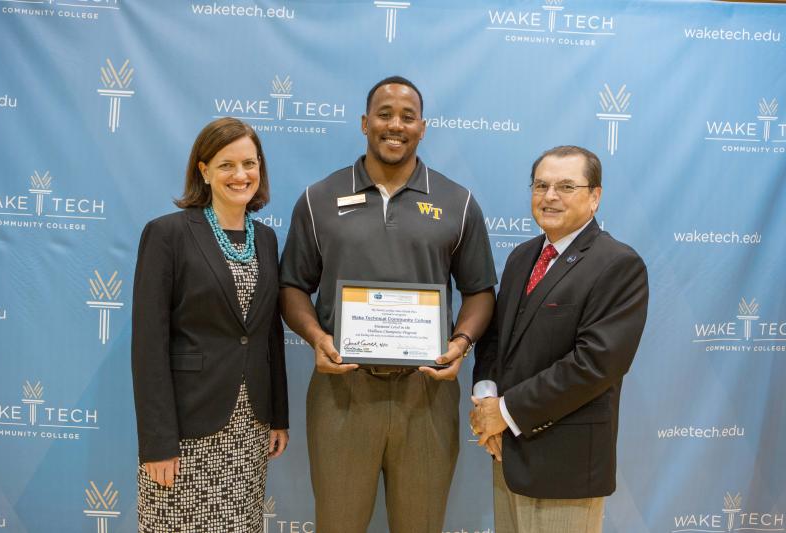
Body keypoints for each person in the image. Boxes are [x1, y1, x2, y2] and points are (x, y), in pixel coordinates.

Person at [279, 76, 497, 533]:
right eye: (384, 114)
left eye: (407, 116)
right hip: (343, 391)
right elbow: (292, 287)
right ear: (364, 123)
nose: (395, 125)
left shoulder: (458, 202)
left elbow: (479, 290)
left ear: (423, 127)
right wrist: (317, 338)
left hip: (427, 392)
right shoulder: (318, 199)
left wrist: (460, 343)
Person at [470, 145, 648, 533]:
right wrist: (486, 398)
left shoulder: (617, 264)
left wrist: (504, 412)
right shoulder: (522, 257)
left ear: (595, 196)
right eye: (541, 185)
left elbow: (595, 365)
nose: (550, 196)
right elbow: (496, 338)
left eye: (566, 186)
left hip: (564, 469)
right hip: (507, 456)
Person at [131, 117, 289, 533]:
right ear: (203, 170)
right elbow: (148, 347)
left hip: (249, 428)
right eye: (226, 165)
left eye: (250, 164)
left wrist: (278, 417)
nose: (241, 175)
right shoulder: (168, 235)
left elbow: (270, 335)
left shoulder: (268, 240)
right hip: (186, 431)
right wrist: (158, 444)